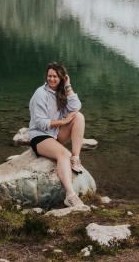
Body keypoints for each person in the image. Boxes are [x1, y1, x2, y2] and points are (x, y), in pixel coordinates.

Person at [29, 62, 87, 207]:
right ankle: (70, 195)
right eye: (49, 76)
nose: (52, 79)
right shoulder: (40, 94)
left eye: (55, 76)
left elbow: (76, 107)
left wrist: (68, 86)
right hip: (39, 136)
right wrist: (62, 122)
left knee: (79, 117)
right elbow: (40, 123)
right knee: (62, 154)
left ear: (61, 78)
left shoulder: (61, 92)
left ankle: (75, 157)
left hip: (54, 134)